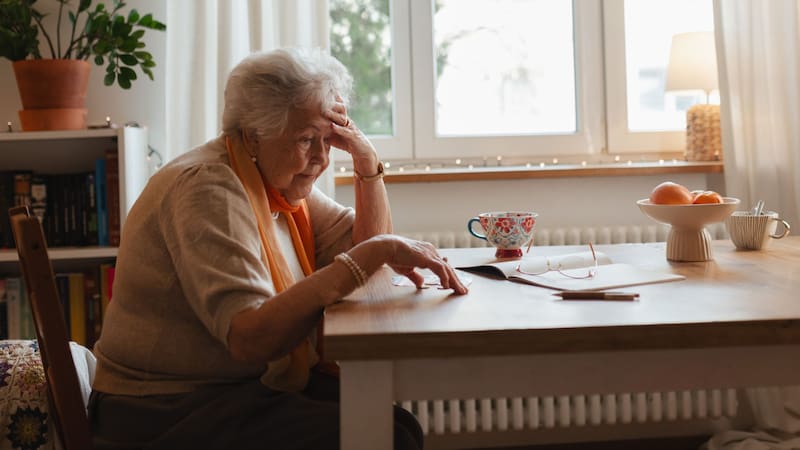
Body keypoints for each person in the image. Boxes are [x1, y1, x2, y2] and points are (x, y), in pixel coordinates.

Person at [88, 47, 468, 450]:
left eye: (328, 139)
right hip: (163, 407)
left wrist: (366, 159)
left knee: (397, 426)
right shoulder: (209, 188)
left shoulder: (275, 184)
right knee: (386, 436)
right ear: (254, 135)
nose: (321, 158)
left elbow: (368, 248)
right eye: (307, 139)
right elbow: (250, 338)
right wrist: (372, 253)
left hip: (228, 389)